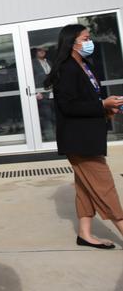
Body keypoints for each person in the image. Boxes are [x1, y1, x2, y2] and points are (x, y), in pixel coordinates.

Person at [44, 24, 123, 249]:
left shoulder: (84, 65)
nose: (90, 42)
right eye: (86, 38)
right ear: (73, 42)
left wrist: (107, 108)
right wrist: (101, 104)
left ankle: (85, 235)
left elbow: (88, 101)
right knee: (104, 187)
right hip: (79, 141)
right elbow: (68, 106)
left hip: (88, 138)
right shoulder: (66, 69)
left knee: (86, 189)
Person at [31, 47, 55, 141]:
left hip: (53, 93)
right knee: (46, 116)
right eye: (39, 50)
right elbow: (29, 78)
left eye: (44, 50)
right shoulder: (32, 63)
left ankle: (58, 136)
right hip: (42, 94)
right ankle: (50, 138)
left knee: (54, 116)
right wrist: (36, 92)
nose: (42, 52)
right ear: (35, 52)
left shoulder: (49, 62)